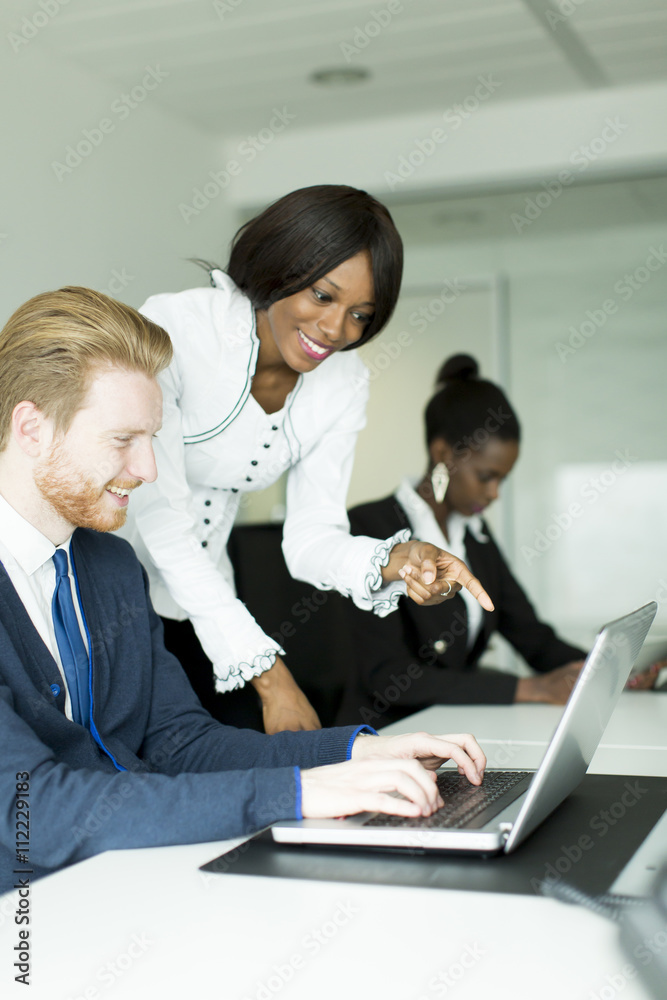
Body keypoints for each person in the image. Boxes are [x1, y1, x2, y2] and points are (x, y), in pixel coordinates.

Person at [0, 288, 487, 894]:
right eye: (123, 440)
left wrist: (356, 756)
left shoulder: (112, 565)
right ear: (32, 428)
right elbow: (34, 811)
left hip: (127, 885)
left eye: (152, 438)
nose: (149, 469)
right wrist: (298, 792)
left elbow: (180, 743)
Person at [121, 185, 493, 734]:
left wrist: (395, 560)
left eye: (360, 314)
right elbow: (163, 524)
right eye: (322, 295)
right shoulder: (177, 331)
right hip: (102, 583)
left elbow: (311, 538)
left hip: (200, 600)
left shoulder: (344, 382)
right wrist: (273, 680)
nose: (336, 330)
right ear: (279, 267)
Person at [338, 353, 657, 728]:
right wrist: (530, 689)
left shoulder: (475, 537)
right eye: (486, 476)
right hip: (381, 734)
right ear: (442, 454)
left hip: (447, 731)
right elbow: (387, 676)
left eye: (501, 480)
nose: (494, 494)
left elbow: (532, 637)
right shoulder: (370, 527)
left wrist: (610, 674)